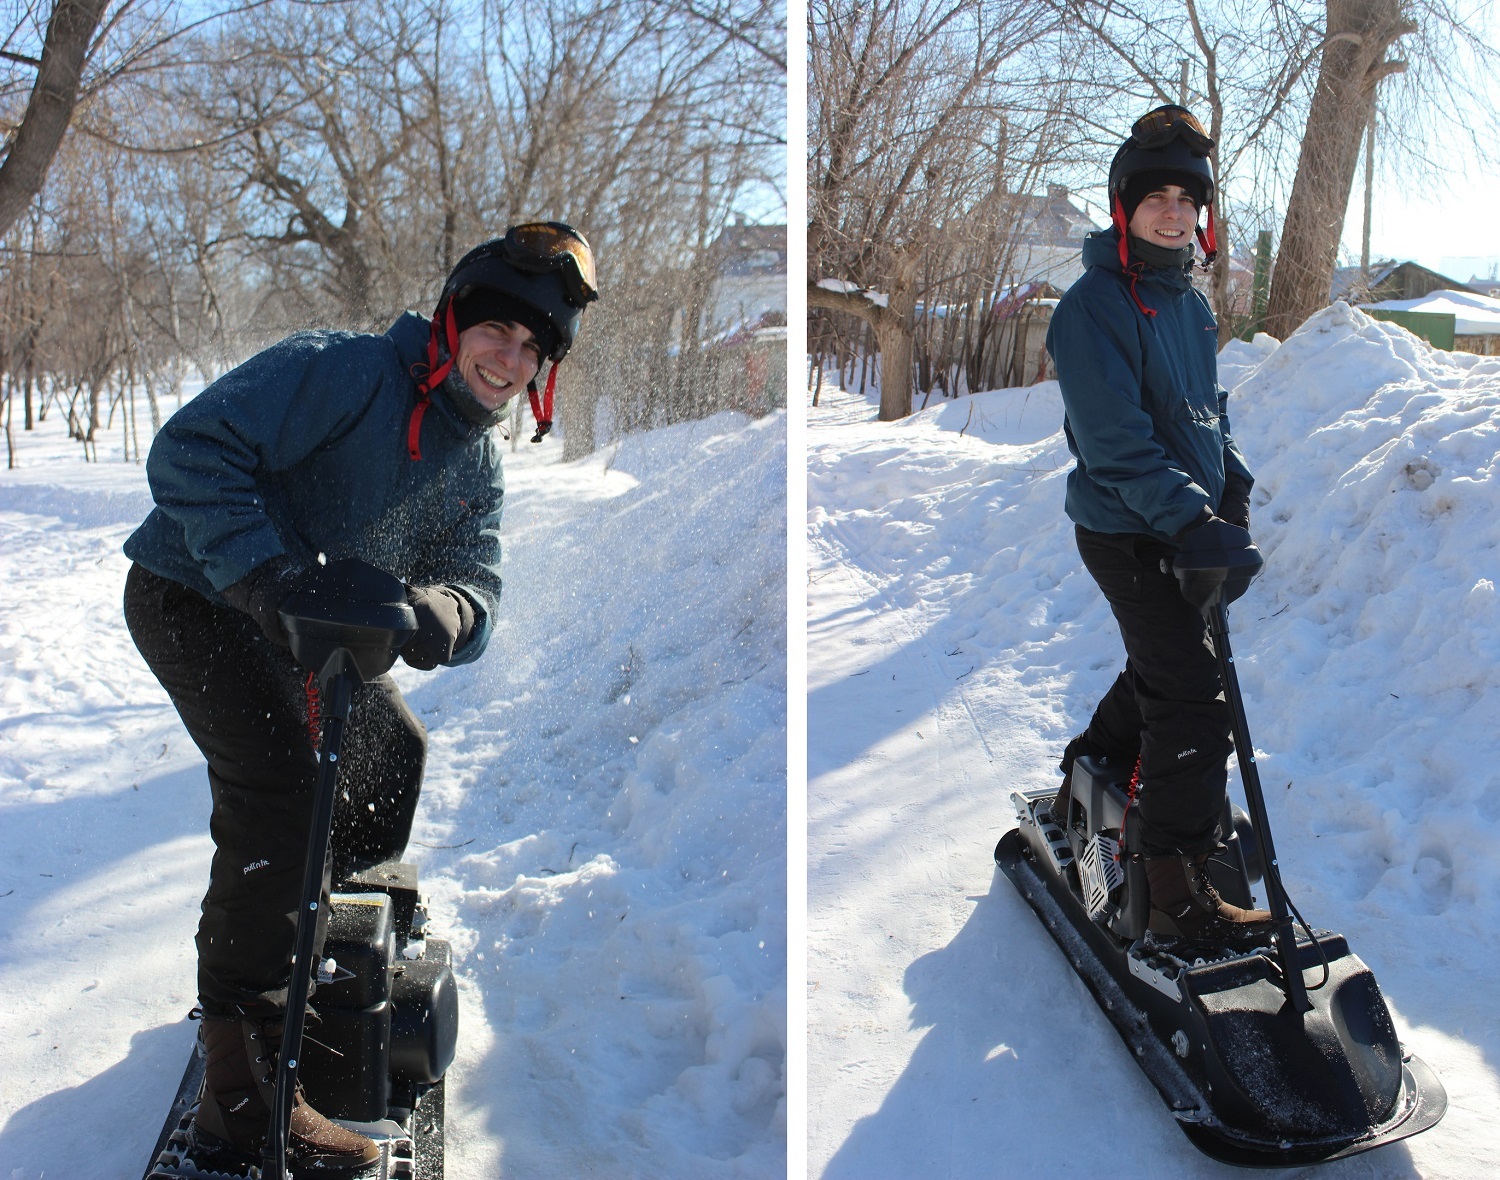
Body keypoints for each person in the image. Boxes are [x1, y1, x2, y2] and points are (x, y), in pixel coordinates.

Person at [123, 223, 598, 1171]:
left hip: (314, 630)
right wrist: (268, 580)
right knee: (281, 796)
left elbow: (479, 586)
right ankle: (242, 1090)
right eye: (497, 333)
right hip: (198, 595)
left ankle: (307, 914)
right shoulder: (344, 372)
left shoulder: (478, 463)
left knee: (389, 751)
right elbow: (186, 453)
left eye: (531, 349)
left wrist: (436, 614)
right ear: (456, 318)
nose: (508, 361)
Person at [1045, 107, 1271, 943]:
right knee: (1194, 698)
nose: (1175, 212)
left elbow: (1208, 416)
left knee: (1170, 665)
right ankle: (1172, 891)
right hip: (1126, 530)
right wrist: (1190, 520)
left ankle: (1092, 761)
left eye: (1188, 198)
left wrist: (1232, 493)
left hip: (1182, 526)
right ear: (1122, 207)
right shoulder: (1090, 310)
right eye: (1156, 198)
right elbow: (1117, 448)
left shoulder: (1190, 306)